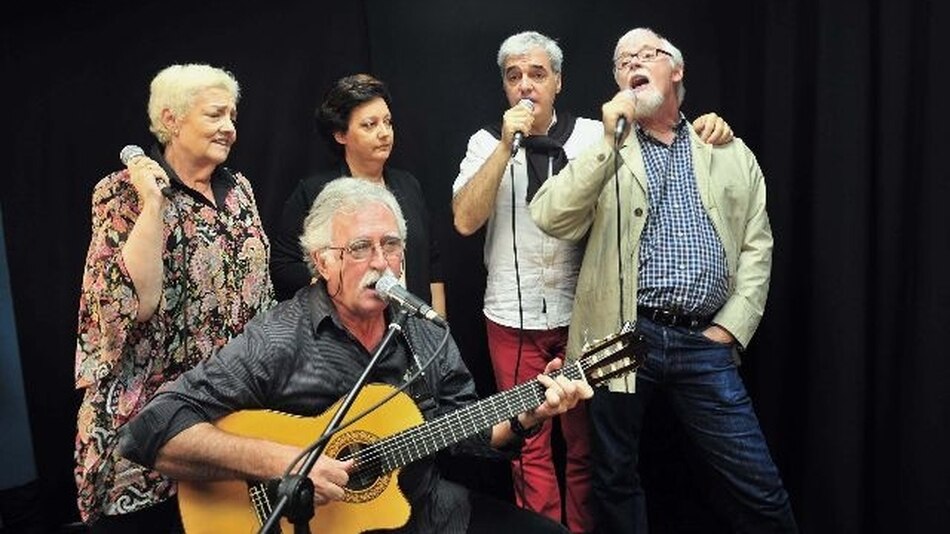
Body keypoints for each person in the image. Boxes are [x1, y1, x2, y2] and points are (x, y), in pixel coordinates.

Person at [117, 177, 592, 534]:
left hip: (426, 511)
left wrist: (526, 415)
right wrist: (283, 461)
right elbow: (152, 429)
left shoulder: (425, 331)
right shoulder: (279, 337)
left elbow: (462, 425)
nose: (381, 263)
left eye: (391, 246)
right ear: (322, 261)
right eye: (361, 248)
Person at [451, 30, 734, 533]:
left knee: (585, 448)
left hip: (582, 315)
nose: (525, 86)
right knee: (528, 446)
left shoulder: (593, 135)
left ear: (558, 81)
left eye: (537, 74)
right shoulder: (483, 143)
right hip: (510, 317)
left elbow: (666, 144)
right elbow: (465, 222)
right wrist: (504, 149)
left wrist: (712, 126)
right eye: (514, 76)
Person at [530, 27, 798, 533]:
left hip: (705, 341)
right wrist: (609, 140)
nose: (633, 61)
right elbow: (551, 214)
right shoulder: (603, 144)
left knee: (757, 485)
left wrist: (730, 328)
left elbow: (757, 246)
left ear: (676, 70)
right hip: (624, 335)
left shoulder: (726, 149)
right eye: (622, 59)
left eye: (646, 54)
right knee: (614, 478)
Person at [73, 63, 274, 531]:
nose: (229, 127)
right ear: (171, 120)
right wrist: (153, 204)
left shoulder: (238, 190)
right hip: (145, 425)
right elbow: (134, 306)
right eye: (215, 115)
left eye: (233, 117)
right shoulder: (119, 193)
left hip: (226, 418)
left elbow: (259, 301)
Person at [271, 74, 444, 316]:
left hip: (411, 325)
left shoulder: (409, 185)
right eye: (369, 125)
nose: (384, 133)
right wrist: (338, 289)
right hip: (346, 330)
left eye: (388, 122)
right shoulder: (314, 192)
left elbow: (431, 262)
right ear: (340, 135)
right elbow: (283, 266)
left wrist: (435, 326)